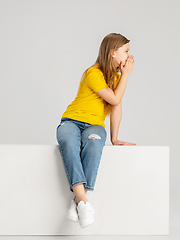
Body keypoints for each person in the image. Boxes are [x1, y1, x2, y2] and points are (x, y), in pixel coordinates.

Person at [56, 33, 135, 228]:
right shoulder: (93, 73)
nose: (128, 56)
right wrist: (125, 76)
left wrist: (115, 139)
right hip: (71, 121)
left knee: (93, 143)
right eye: (125, 51)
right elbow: (114, 100)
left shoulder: (117, 78)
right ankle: (83, 200)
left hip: (94, 126)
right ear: (112, 53)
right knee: (69, 142)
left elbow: (117, 106)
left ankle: (78, 202)